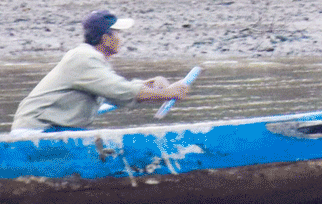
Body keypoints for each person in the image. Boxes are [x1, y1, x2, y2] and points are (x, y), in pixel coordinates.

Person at [11, 11, 190, 133]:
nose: (121, 38)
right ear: (105, 39)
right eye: (118, 33)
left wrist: (149, 86)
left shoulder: (90, 60)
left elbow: (114, 90)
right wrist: (167, 93)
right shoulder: (84, 58)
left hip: (54, 130)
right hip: (38, 130)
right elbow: (120, 91)